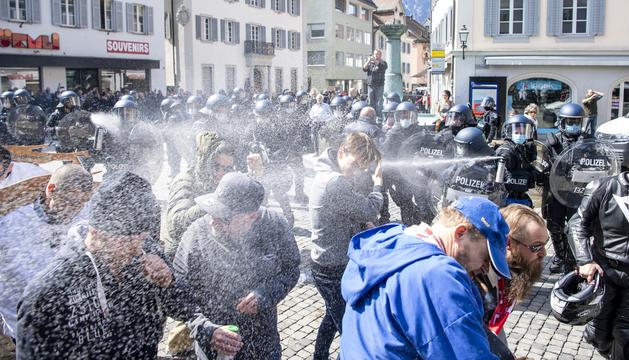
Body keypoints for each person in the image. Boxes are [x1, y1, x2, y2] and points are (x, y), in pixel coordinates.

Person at [16, 171, 240, 359]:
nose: (138, 249)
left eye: (142, 238)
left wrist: (170, 284)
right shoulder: (48, 292)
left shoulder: (145, 251)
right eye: (129, 240)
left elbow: (181, 304)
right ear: (98, 232)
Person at [340, 197, 510, 359]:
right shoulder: (437, 275)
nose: (485, 269)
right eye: (486, 258)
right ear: (461, 233)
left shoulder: (392, 244)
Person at [173, 172, 300, 360]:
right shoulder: (196, 235)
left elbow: (292, 269)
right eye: (212, 211)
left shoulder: (275, 226)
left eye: (223, 216)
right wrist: (205, 329)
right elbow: (177, 292)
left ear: (251, 217)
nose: (213, 220)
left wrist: (266, 294)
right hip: (213, 347)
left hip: (263, 344)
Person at [309, 133, 383, 360]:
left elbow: (345, 210)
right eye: (356, 163)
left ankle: (319, 356)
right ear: (342, 151)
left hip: (326, 261)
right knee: (349, 328)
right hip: (332, 266)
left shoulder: (329, 173)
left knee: (332, 316)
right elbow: (370, 208)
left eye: (362, 167)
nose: (358, 170)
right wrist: (378, 185)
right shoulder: (335, 182)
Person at [0, 164, 93, 340]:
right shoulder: (11, 225)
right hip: (26, 327)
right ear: (51, 190)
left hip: (72, 325)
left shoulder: (86, 219)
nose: (76, 210)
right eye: (71, 202)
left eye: (83, 203)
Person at [568, 145, 629, 360]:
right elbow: (577, 223)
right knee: (599, 336)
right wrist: (584, 260)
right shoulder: (605, 186)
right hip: (603, 270)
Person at [477, 205, 548, 345]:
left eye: (546, 243)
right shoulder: (478, 279)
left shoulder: (513, 269)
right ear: (508, 243)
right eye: (536, 246)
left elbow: (495, 325)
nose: (544, 253)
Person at [162, 132, 235, 260]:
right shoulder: (185, 181)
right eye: (215, 166)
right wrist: (210, 203)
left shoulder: (224, 183)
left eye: (226, 169)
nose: (220, 173)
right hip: (181, 254)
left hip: (210, 250)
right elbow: (176, 226)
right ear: (204, 162)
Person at [542, 103, 591, 273]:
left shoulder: (587, 142)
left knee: (574, 225)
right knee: (554, 225)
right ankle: (559, 255)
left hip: (577, 192)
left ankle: (571, 260)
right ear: (562, 123)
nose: (574, 125)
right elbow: (545, 166)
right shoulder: (552, 142)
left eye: (577, 121)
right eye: (570, 121)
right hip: (556, 191)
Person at [496, 114, 537, 207]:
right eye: (517, 133)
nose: (520, 136)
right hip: (506, 198)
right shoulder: (505, 149)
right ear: (508, 132)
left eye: (523, 133)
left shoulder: (525, 150)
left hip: (521, 197)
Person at [363, 49, 388, 122]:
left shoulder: (383, 63)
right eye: (374, 54)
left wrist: (374, 60)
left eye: (377, 54)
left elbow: (379, 65)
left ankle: (379, 118)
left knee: (379, 102)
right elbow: (364, 68)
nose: (375, 55)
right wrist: (368, 61)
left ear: (380, 55)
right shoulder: (371, 63)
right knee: (371, 102)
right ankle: (371, 117)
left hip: (379, 85)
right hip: (371, 85)